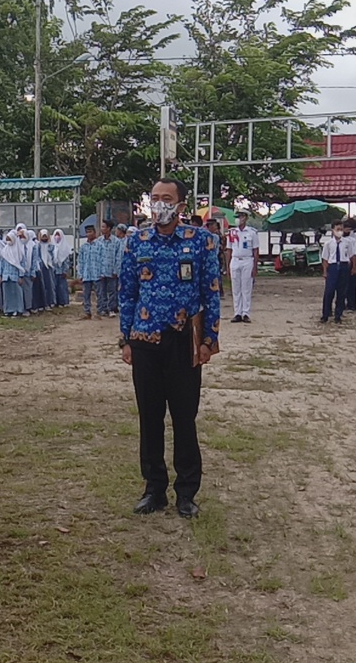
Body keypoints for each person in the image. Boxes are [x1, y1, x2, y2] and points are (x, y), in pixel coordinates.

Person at [119, 179, 221, 519]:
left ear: (180, 206)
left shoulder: (202, 242)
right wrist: (125, 339)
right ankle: (154, 489)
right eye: (154, 198)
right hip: (145, 340)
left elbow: (211, 293)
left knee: (183, 419)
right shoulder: (137, 242)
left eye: (166, 199)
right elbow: (127, 294)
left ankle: (187, 493)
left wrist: (209, 340)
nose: (159, 204)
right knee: (150, 418)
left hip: (183, 342)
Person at [225, 210, 258, 323]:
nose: (239, 218)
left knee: (246, 288)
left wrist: (255, 267)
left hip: (247, 260)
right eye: (238, 216)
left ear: (245, 217)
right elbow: (228, 250)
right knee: (236, 288)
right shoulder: (232, 232)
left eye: (241, 216)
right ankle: (237, 313)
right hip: (235, 260)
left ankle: (245, 313)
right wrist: (227, 266)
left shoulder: (252, 233)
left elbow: (255, 250)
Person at [320, 220, 350, 324]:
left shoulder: (347, 242)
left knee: (341, 292)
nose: (340, 231)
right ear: (333, 230)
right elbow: (325, 258)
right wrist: (325, 271)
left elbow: (351, 255)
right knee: (329, 292)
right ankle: (325, 314)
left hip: (343, 266)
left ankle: (338, 315)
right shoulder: (328, 244)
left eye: (341, 229)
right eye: (338, 229)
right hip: (332, 267)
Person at [0, 231, 28, 317]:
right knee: (7, 294)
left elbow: (22, 265)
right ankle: (8, 310)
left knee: (16, 293)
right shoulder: (4, 251)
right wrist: (0, 275)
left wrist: (21, 276)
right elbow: (1, 264)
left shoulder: (19, 252)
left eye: (10, 239)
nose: (8, 240)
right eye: (7, 239)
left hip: (15, 276)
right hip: (5, 276)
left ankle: (17, 310)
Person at [78, 224, 102, 320]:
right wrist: (80, 273)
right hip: (86, 274)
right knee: (86, 294)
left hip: (97, 273)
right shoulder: (84, 247)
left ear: (95, 233)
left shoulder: (100, 245)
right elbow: (80, 261)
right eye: (87, 232)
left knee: (99, 294)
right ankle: (87, 312)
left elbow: (103, 259)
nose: (89, 234)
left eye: (90, 232)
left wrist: (102, 272)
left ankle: (99, 312)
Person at [96, 220, 119, 317]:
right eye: (101, 227)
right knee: (102, 291)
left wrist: (116, 270)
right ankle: (103, 308)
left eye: (103, 227)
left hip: (111, 271)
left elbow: (118, 257)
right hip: (101, 271)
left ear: (109, 228)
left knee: (112, 291)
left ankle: (111, 309)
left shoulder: (116, 241)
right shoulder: (98, 241)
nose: (102, 229)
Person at [51, 229, 72, 306]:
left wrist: (65, 271)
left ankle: (64, 302)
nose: (57, 237)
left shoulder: (65, 247)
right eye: (56, 235)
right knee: (54, 286)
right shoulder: (52, 247)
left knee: (62, 287)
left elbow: (66, 260)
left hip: (62, 270)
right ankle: (55, 302)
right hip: (54, 270)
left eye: (58, 235)